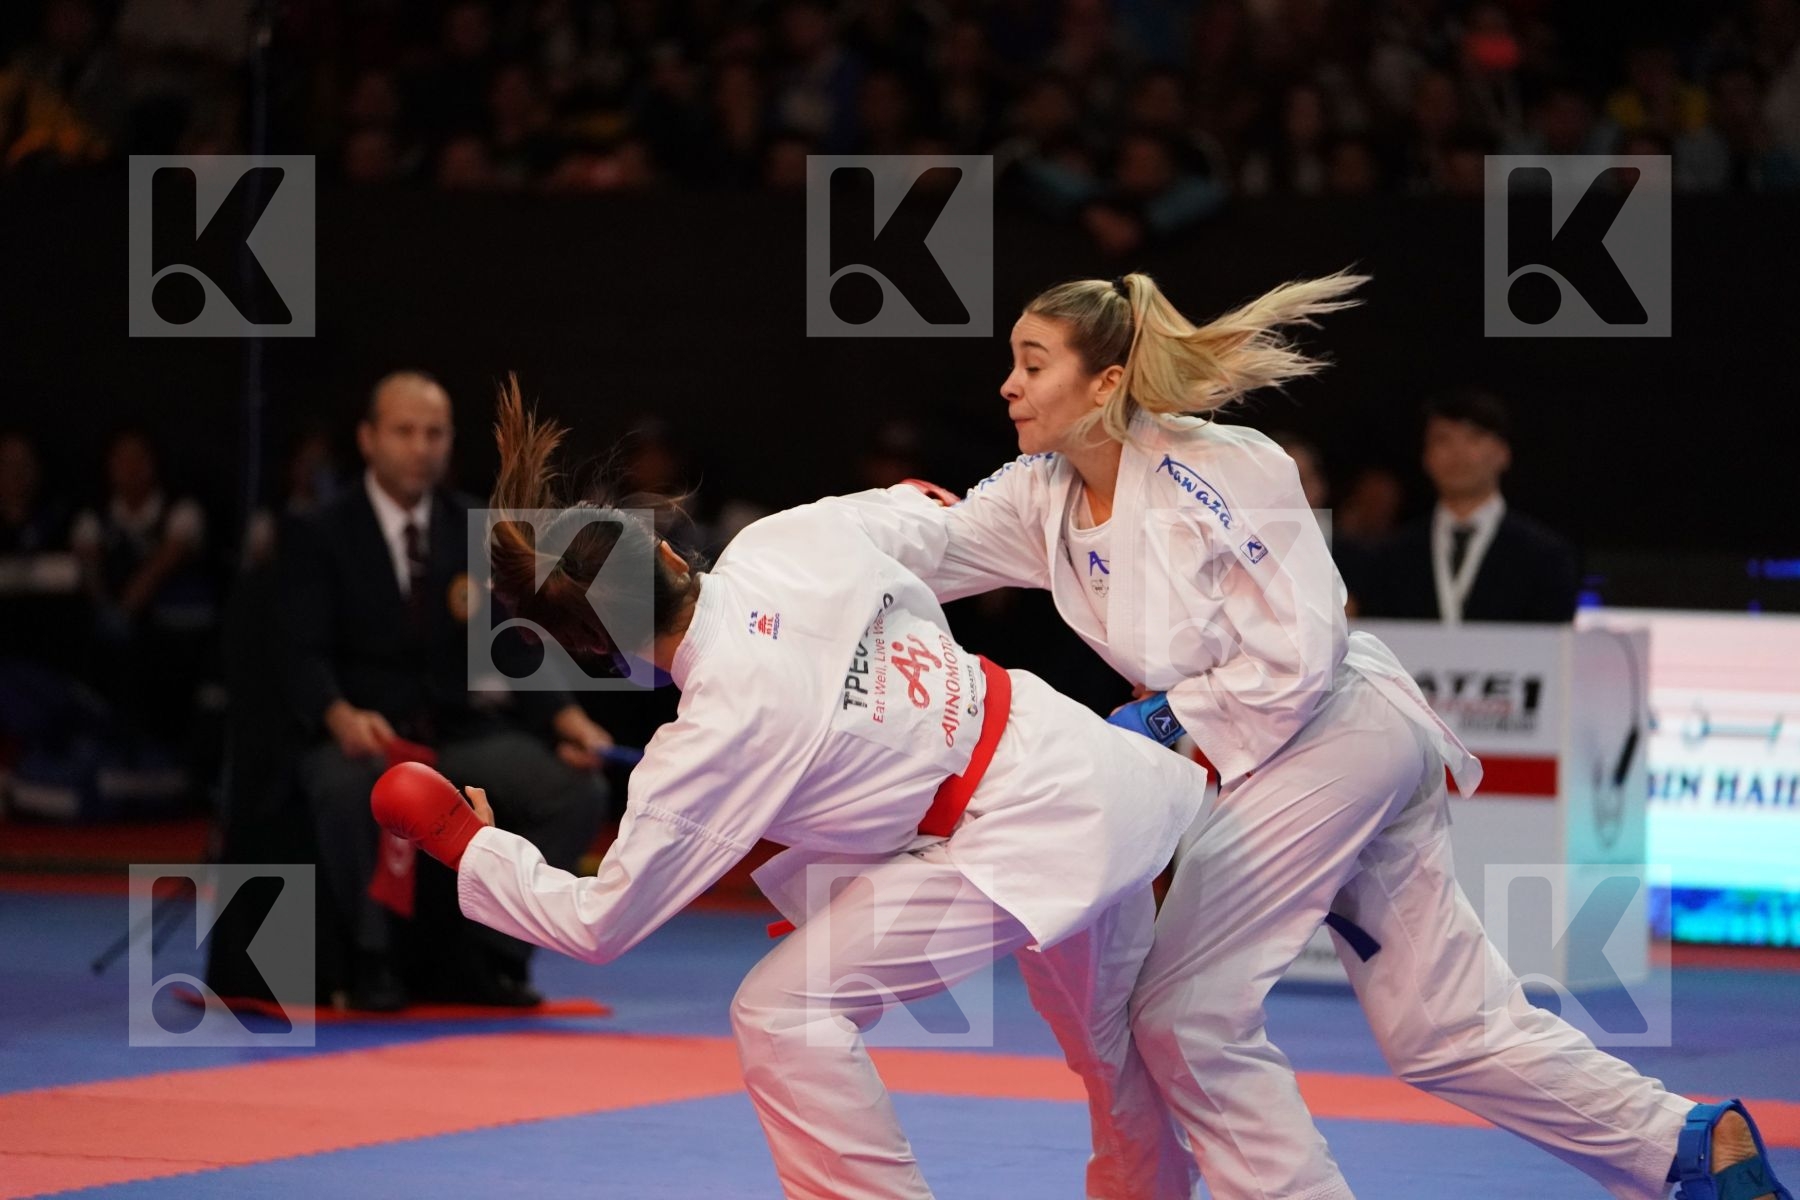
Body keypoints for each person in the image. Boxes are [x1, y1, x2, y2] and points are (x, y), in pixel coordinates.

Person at [830, 271, 1791, 1200]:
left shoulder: (1223, 467)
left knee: (1183, 1015)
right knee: (1443, 1028)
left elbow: (1301, 652)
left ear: (1108, 381)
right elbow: (930, 546)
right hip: (1304, 759)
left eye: (1034, 363)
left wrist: (1165, 717)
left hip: (1335, 734)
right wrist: (774, 567)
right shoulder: (1040, 496)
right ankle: (1690, 1148)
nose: (1008, 385)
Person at [372, 379, 1210, 1200]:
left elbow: (597, 924)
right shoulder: (784, 540)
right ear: (667, 553)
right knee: (1109, 1045)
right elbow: (945, 522)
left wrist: (467, 843)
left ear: (599, 655)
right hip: (1076, 757)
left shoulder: (711, 732)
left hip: (1008, 838)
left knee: (783, 1014)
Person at [281, 370, 610, 1011]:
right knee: (352, 791)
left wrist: (567, 719)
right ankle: (374, 959)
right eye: (404, 431)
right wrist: (338, 713)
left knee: (576, 788)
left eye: (434, 433)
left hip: (457, 734)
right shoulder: (320, 533)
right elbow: (298, 652)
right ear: (369, 439)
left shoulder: (472, 527)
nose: (420, 447)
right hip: (366, 735)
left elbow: (516, 644)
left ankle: (500, 956)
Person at [1359, 388, 1579, 623]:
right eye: (1443, 439)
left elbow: (1554, 643)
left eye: (1473, 438)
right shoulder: (1391, 557)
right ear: (1426, 457)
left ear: (1503, 453)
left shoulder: (1545, 557)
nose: (1458, 453)